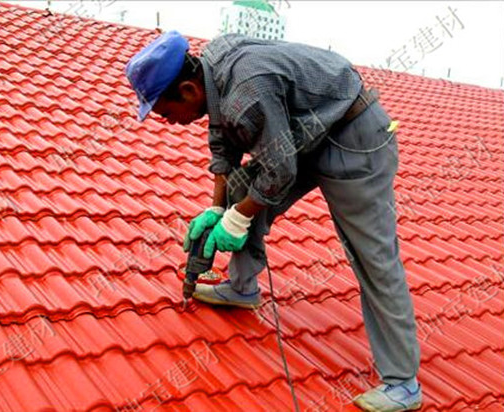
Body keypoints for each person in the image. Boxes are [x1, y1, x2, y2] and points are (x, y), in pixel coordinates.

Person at [125, 30, 422, 412]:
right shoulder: (212, 69)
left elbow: (279, 172)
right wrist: (218, 210)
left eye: (166, 114)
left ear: (187, 90)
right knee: (239, 189)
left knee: (373, 256)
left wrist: (236, 219)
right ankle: (242, 288)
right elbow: (223, 144)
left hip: (352, 135)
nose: (169, 123)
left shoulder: (245, 92)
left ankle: (403, 383)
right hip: (305, 134)